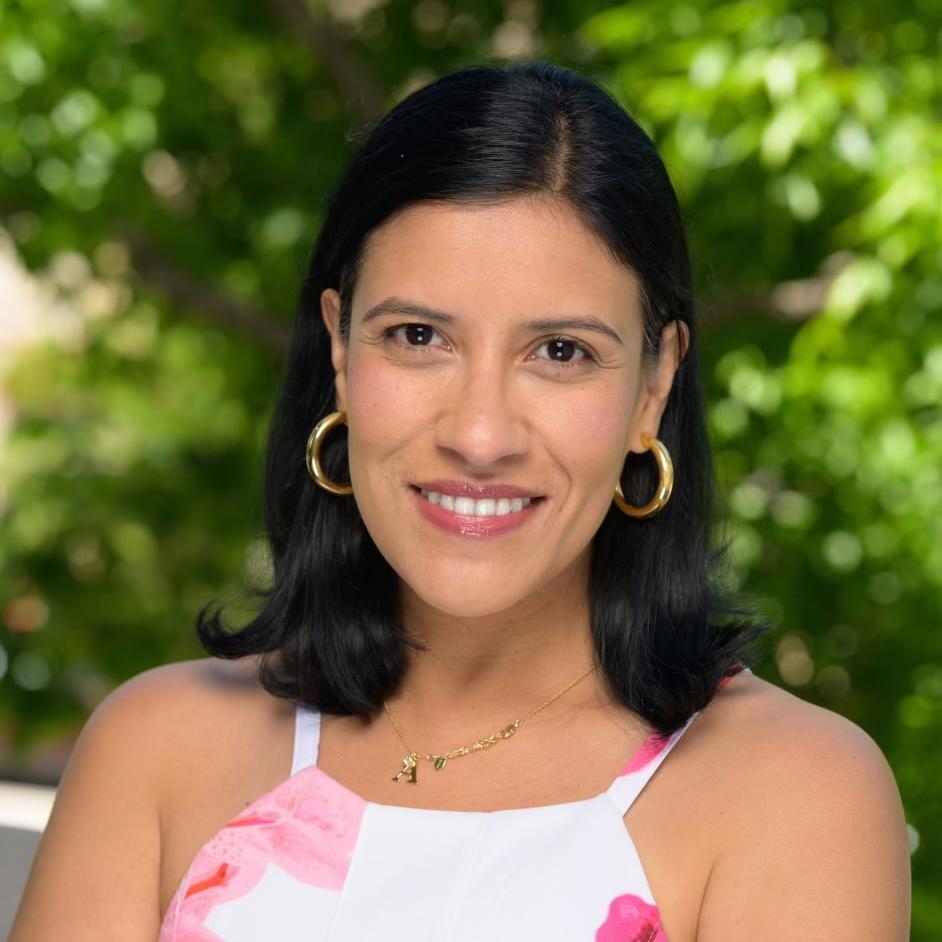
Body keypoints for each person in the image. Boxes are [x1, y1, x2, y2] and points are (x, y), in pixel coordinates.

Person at [10, 60, 910, 941]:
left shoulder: (796, 792)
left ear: (654, 384)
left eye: (560, 351)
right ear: (340, 348)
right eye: (417, 335)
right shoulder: (155, 749)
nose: (480, 436)